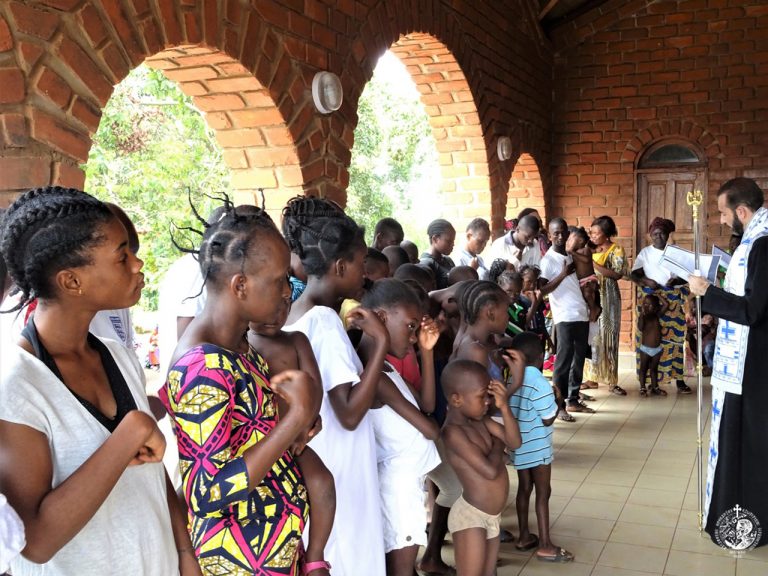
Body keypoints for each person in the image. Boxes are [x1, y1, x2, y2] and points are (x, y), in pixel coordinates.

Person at [0, 186, 195, 576]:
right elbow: (36, 541)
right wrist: (131, 432)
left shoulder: (117, 355)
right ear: (72, 282)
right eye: (122, 255)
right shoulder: (17, 385)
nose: (137, 264)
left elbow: (150, 473)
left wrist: (185, 554)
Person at [160, 201, 320, 575]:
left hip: (271, 554)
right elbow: (207, 493)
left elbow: (249, 439)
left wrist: (294, 429)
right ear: (241, 285)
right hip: (238, 562)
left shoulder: (240, 346)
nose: (288, 291)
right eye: (280, 279)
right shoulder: (201, 367)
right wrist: (293, 419)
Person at [281, 196, 390, 576]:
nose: (366, 273)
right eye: (361, 264)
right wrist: (379, 344)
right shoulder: (325, 322)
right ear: (340, 266)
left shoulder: (296, 313)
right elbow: (348, 412)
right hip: (340, 463)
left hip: (320, 458)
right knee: (351, 556)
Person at [688, 177, 768, 548]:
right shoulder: (754, 241)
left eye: (723, 213)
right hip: (749, 362)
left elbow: (754, 310)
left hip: (753, 367)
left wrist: (710, 295)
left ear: (741, 211)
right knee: (739, 439)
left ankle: (748, 525)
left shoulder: (762, 247)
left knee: (749, 444)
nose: (721, 221)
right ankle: (735, 520)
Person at [361, 279, 441, 576]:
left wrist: (427, 352)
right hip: (395, 489)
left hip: (406, 486)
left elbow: (428, 406)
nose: (413, 336)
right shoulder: (376, 377)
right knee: (401, 570)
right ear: (381, 319)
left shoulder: (388, 369)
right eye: (410, 327)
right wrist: (429, 424)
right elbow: (431, 428)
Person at [246, 309, 335, 575]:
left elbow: (313, 387)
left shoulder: (296, 340)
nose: (274, 313)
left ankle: (315, 556)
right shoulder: (241, 344)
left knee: (322, 482)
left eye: (285, 302)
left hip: (293, 441)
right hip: (254, 444)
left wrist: (304, 425)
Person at [441, 359, 523, 576]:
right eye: (481, 396)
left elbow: (514, 442)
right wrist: (498, 446)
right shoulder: (453, 432)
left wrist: (504, 407)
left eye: (489, 395)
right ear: (457, 399)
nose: (488, 402)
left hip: (492, 516)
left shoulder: (480, 421)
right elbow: (489, 470)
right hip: (470, 517)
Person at [507, 332, 573, 563]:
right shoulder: (538, 382)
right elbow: (547, 418)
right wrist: (557, 399)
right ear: (541, 355)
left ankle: (524, 536)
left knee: (524, 489)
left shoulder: (511, 379)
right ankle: (545, 544)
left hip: (519, 445)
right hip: (538, 446)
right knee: (544, 492)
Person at [630, 217, 692, 394]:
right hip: (652, 303)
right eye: (655, 234)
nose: (658, 237)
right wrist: (645, 280)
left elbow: (687, 275)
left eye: (662, 233)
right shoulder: (645, 253)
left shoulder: (676, 251)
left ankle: (679, 380)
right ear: (650, 235)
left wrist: (677, 279)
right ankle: (651, 382)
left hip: (672, 302)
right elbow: (634, 275)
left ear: (667, 235)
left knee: (675, 341)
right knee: (650, 342)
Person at [539, 218, 593, 421]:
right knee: (562, 363)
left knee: (578, 360)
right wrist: (562, 274)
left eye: (563, 233)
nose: (560, 237)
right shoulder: (548, 260)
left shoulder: (572, 255)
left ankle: (573, 400)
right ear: (549, 235)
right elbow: (542, 290)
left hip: (581, 314)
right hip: (564, 317)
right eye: (556, 233)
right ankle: (558, 406)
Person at [582, 215, 627, 394]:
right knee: (592, 337)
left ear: (606, 235)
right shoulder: (588, 248)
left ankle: (611, 380)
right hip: (591, 297)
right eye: (591, 232)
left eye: (596, 233)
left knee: (608, 336)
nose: (592, 236)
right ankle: (592, 378)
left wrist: (593, 264)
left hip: (608, 298)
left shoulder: (616, 250)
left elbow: (617, 274)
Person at [565, 226, 602, 323]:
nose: (568, 242)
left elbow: (586, 260)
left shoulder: (585, 250)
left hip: (589, 278)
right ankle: (591, 309)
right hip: (581, 281)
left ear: (580, 240)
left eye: (570, 240)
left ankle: (594, 308)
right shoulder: (573, 254)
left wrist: (573, 253)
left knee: (587, 293)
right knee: (582, 297)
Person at [637, 294, 668, 396]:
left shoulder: (657, 315)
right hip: (646, 349)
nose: (646, 306)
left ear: (655, 306)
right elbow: (640, 328)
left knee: (654, 369)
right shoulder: (644, 317)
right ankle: (642, 388)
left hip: (657, 349)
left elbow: (666, 304)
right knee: (643, 369)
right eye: (645, 304)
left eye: (649, 304)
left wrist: (658, 296)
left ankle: (655, 387)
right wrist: (642, 314)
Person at [420, 219, 456, 289]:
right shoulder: (426, 264)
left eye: (453, 241)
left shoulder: (448, 260)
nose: (453, 244)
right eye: (449, 241)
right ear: (435, 239)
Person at [497, 270, 530, 337]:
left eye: (517, 292)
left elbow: (523, 327)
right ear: (500, 288)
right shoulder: (496, 309)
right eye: (509, 291)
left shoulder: (519, 307)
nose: (513, 295)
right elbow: (498, 340)